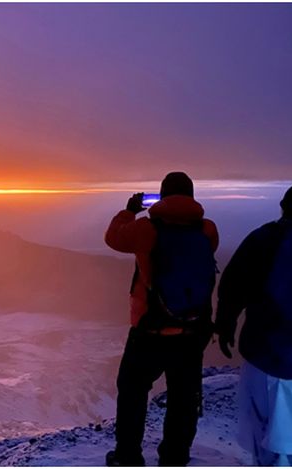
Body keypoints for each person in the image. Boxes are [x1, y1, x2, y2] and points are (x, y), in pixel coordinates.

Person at [215, 180, 292, 466]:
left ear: (285, 206)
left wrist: (225, 325)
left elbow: (233, 287)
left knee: (272, 437)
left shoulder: (265, 239)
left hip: (270, 360)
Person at [104, 172, 219, 466]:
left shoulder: (147, 229)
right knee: (183, 398)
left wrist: (130, 210)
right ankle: (174, 457)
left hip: (149, 331)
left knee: (132, 391)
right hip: (191, 331)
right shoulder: (207, 230)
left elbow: (113, 237)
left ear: (161, 195)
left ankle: (128, 456)